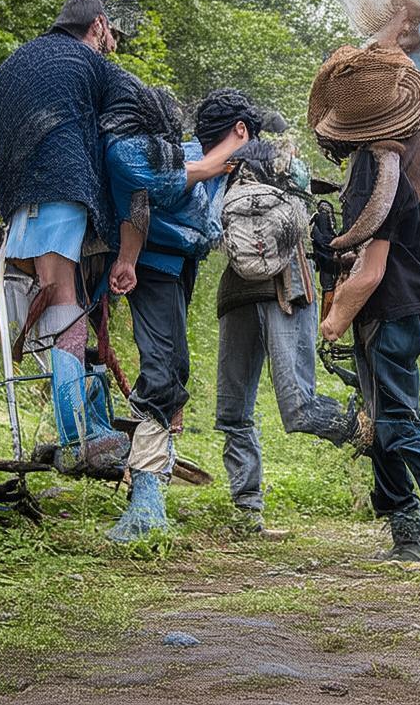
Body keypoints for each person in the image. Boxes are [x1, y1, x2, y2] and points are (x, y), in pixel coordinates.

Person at [309, 32, 420, 563]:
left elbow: (372, 270)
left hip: (390, 311)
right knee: (381, 421)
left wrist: (331, 322)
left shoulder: (381, 176)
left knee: (396, 420)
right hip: (411, 308)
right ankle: (406, 534)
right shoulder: (410, 165)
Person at [0, 0, 133, 472]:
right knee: (63, 298)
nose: (109, 43)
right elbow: (142, 105)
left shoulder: (12, 64)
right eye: (108, 35)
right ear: (98, 26)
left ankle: (89, 424)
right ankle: (78, 435)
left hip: (16, 201)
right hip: (63, 190)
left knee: (55, 297)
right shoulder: (88, 61)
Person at [103, 87, 258, 542]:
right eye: (249, 136)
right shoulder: (183, 158)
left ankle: (152, 485)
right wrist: (128, 259)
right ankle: (144, 499)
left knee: (175, 368)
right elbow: (138, 196)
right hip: (150, 265)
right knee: (162, 369)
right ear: (239, 131)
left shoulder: (223, 169)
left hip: (177, 267)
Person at [214, 115, 370, 535]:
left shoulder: (227, 179)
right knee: (296, 407)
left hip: (242, 297)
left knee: (233, 411)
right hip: (285, 293)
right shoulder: (287, 177)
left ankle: (248, 511)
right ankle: (366, 431)